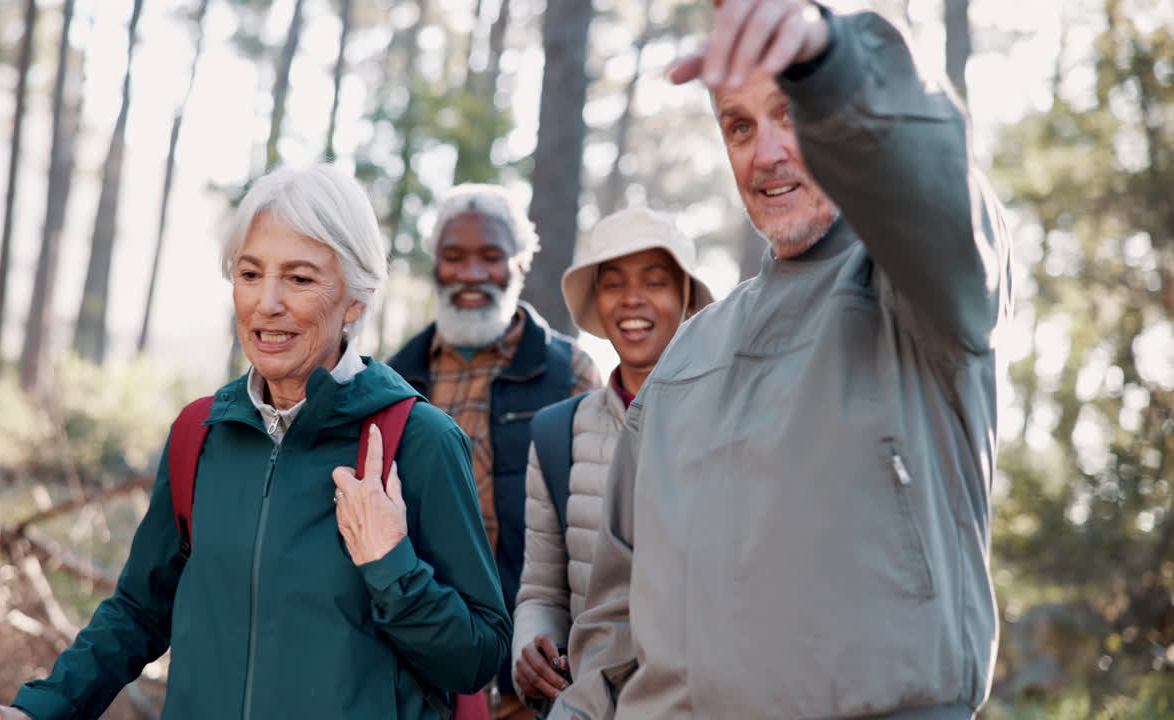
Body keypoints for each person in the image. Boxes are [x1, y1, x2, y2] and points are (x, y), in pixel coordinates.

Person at [551, 1, 1012, 719]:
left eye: (791, 114)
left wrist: (830, 64)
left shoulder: (922, 295)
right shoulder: (686, 357)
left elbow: (931, 191)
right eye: (739, 126)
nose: (765, 154)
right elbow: (613, 626)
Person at [0, 165, 510, 720]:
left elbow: (479, 656)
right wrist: (44, 708)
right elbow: (138, 611)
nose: (266, 303)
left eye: (299, 279)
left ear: (356, 299)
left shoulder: (419, 442)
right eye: (250, 274)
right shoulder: (200, 434)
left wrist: (391, 565)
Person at [387, 184, 602, 719]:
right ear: (436, 265)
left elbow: (593, 533)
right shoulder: (395, 378)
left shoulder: (568, 374)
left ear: (520, 264)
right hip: (418, 668)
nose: (471, 274)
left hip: (529, 676)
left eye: (490, 256)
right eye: (454, 256)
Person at [510, 207, 715, 712]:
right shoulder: (557, 433)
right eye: (614, 283)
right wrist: (531, 647)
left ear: (687, 299)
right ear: (597, 303)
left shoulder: (731, 424)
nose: (632, 299)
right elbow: (542, 591)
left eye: (655, 281)